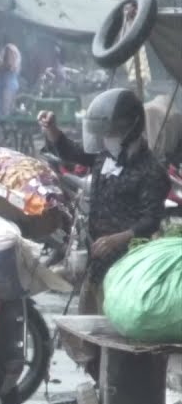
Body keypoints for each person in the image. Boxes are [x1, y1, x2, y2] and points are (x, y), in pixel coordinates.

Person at [38, 88, 170, 373]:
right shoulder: (102, 158)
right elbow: (74, 152)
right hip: (97, 261)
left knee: (118, 335)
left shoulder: (151, 171)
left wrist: (119, 238)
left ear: (131, 130)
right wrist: (53, 131)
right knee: (90, 333)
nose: (107, 137)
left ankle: (120, 383)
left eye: (112, 132)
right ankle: (96, 381)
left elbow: (151, 220)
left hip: (127, 265)